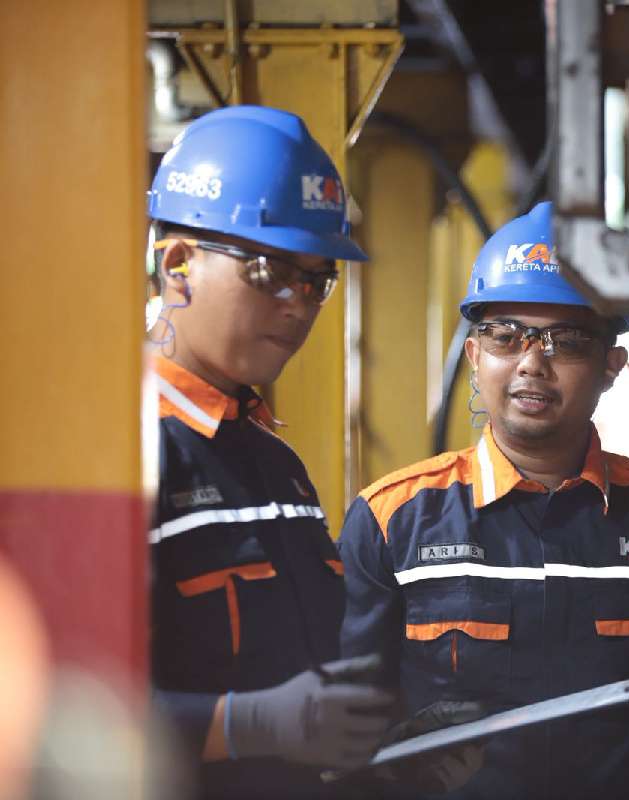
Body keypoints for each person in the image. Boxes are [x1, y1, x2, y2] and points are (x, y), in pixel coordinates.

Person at [339, 201, 629, 799]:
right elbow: (348, 736)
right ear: (475, 356)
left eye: (568, 341)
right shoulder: (393, 521)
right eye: (506, 337)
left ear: (612, 365)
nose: (533, 363)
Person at [147, 105, 395, 799]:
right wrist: (245, 725)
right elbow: (61, 708)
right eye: (270, 270)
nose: (299, 304)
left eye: (317, 280)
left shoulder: (274, 461)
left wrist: (395, 755)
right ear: (178, 266)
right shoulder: (117, 451)